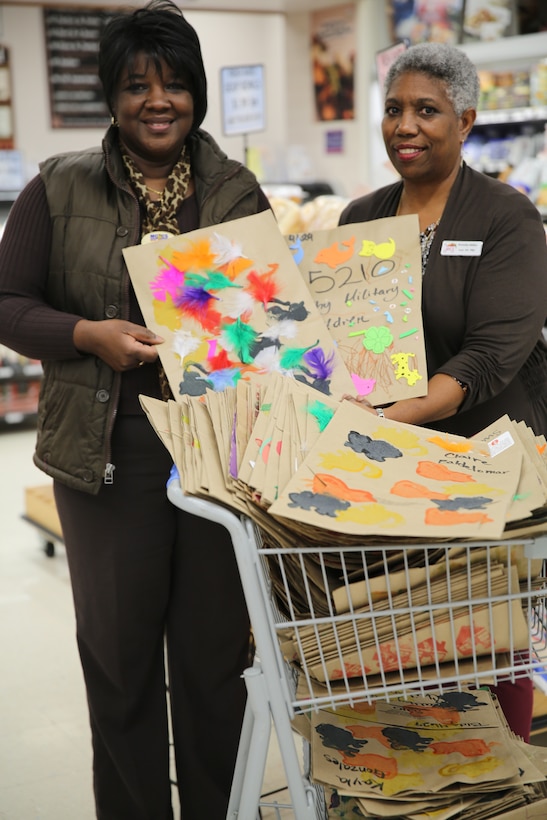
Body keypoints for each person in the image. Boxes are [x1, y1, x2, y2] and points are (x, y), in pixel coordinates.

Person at [0, 2, 271, 817]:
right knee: (119, 664)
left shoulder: (235, 189)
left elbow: (273, 324)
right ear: (110, 95)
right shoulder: (60, 185)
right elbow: (6, 302)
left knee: (213, 661)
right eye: (137, 84)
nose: (159, 101)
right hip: (107, 455)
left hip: (216, 455)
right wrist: (85, 332)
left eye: (176, 83)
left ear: (196, 94)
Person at [339, 41, 547, 742]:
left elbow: (489, 358)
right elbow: (351, 347)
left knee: (489, 636)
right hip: (387, 468)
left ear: (465, 120)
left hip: (483, 465)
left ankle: (503, 779)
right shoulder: (360, 218)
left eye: (426, 110)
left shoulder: (504, 217)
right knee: (402, 636)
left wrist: (392, 419)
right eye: (394, 109)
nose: (405, 126)